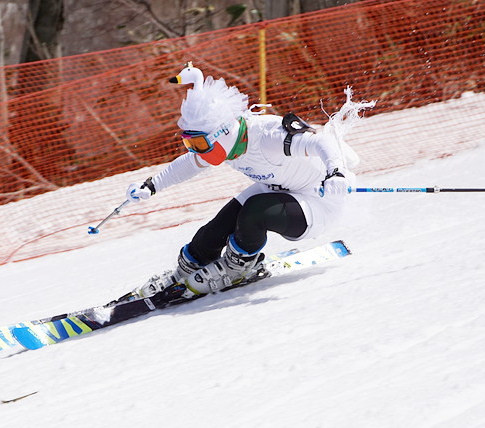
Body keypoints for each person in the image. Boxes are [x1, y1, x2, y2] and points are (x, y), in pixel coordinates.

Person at [125, 62, 373, 297]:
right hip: (278, 190)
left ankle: (239, 268)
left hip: (317, 202)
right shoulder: (228, 143)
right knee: (216, 228)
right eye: (189, 143)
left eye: (198, 143)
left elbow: (322, 141)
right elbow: (191, 163)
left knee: (254, 212)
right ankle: (187, 269)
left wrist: (336, 172)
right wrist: (152, 185)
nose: (195, 150)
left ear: (222, 133)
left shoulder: (268, 136)